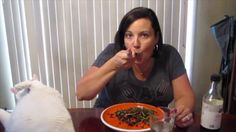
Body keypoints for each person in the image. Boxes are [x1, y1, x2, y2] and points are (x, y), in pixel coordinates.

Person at [76, 7, 195, 127]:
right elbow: (82, 93)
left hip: (150, 125)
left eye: (144, 35)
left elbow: (184, 96)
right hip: (109, 124)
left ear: (156, 38)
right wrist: (114, 65)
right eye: (129, 36)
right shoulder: (111, 53)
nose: (136, 44)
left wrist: (182, 112)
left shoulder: (169, 55)